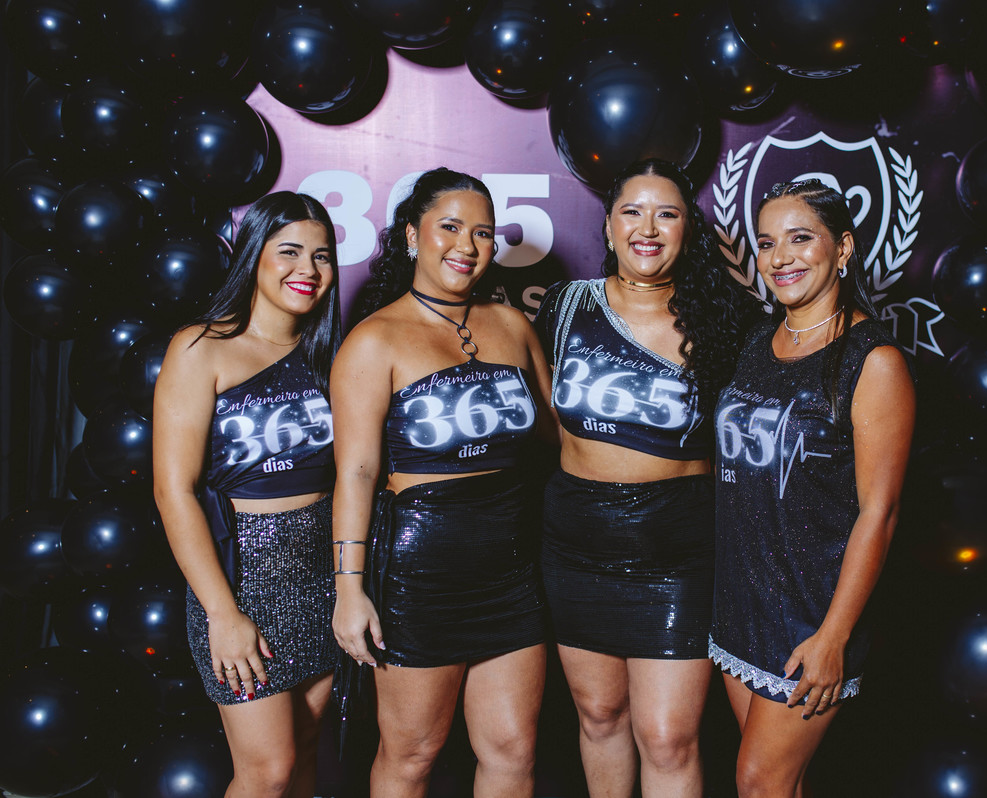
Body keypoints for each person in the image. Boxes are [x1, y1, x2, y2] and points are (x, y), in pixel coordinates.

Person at [536, 158, 763, 797]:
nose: (648, 228)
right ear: (608, 226)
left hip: (676, 550)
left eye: (667, 214)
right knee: (599, 716)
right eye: (632, 212)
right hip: (576, 543)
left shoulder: (726, 318)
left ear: (688, 229)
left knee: (667, 737)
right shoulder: (565, 306)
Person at [330, 168, 551, 797]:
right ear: (411, 235)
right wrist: (349, 589)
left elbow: (558, 439)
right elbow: (357, 474)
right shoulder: (374, 340)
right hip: (421, 578)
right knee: (412, 755)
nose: (467, 246)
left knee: (513, 751)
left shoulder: (512, 326)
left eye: (482, 233)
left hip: (512, 570)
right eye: (450, 227)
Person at [708, 179, 916, 796]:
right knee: (779, 785)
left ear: (843, 248)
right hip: (742, 602)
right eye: (767, 243)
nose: (781, 258)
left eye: (801, 238)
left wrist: (835, 636)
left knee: (759, 783)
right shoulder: (758, 342)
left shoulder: (872, 361)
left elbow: (881, 512)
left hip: (811, 614)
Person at [153, 191, 341, 797]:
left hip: (320, 575)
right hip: (242, 577)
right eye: (289, 252)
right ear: (253, 255)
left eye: (321, 256)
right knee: (268, 771)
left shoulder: (330, 354)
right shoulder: (200, 347)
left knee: (306, 753)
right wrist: (222, 612)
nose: (307, 269)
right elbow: (173, 491)